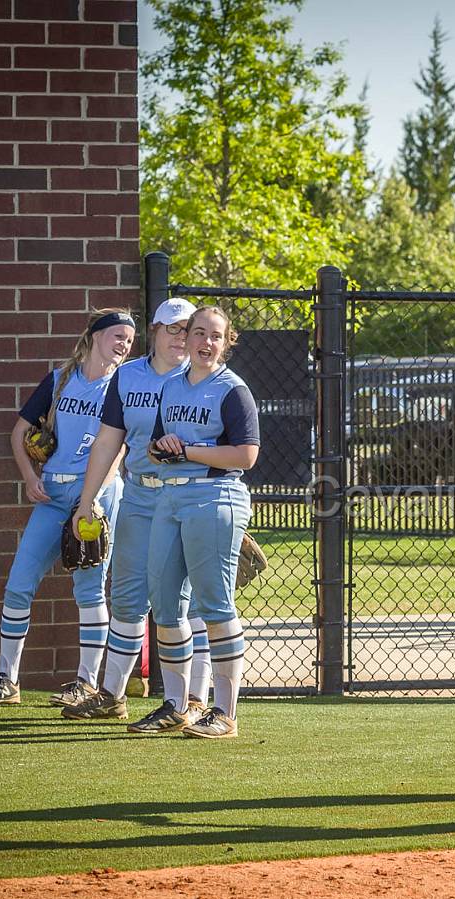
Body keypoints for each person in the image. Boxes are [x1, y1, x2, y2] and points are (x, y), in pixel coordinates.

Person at [0, 309, 135, 709]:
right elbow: (18, 432)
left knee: (89, 587)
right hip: (54, 493)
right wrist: (29, 476)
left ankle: (86, 683)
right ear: (94, 336)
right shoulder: (61, 378)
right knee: (20, 581)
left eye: (129, 340)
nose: (124, 345)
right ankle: (7, 679)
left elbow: (119, 447)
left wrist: (92, 498)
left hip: (95, 495)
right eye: (117, 336)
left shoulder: (123, 384)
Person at [66, 298, 216, 729]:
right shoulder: (128, 376)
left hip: (189, 499)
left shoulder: (206, 380)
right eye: (172, 328)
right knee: (128, 597)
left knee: (186, 604)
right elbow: (108, 441)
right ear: (154, 329)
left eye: (188, 329)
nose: (181, 337)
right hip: (139, 496)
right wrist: (87, 499)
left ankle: (194, 698)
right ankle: (112, 694)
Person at [145, 305, 259, 739]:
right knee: (166, 602)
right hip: (171, 496)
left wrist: (187, 449)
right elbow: (157, 449)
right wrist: (165, 447)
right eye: (198, 333)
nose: (205, 342)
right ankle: (177, 705)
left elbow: (246, 455)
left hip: (215, 497)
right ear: (186, 337)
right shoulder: (171, 386)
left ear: (226, 342)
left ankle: (225, 713)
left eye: (215, 335)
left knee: (214, 604)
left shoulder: (232, 389)